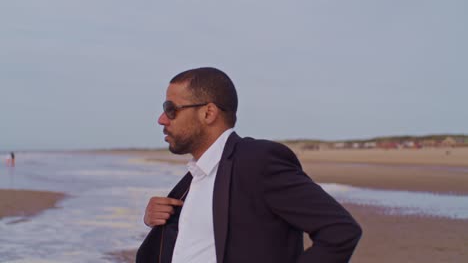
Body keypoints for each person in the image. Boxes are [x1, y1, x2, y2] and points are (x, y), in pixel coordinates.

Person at [137, 67, 361, 263]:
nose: (162, 119)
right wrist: (159, 223)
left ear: (208, 113)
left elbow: (340, 231)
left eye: (171, 109)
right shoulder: (195, 177)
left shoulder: (257, 161)